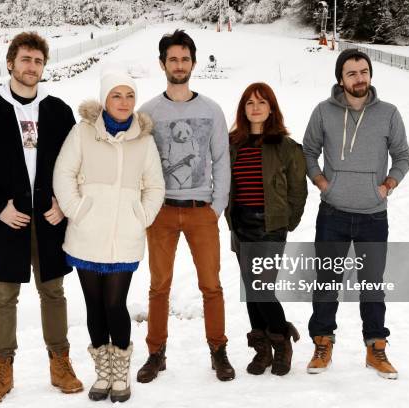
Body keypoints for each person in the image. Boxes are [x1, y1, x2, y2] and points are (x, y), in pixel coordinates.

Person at [0, 32, 83, 405]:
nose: (32, 67)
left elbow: (77, 165)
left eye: (38, 61)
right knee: (2, 295)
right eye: (25, 59)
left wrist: (63, 204)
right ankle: (2, 367)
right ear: (10, 62)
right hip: (6, 221)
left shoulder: (59, 111)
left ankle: (60, 362)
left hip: (49, 218)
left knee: (54, 291)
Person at [53, 71, 165, 403]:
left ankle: (120, 373)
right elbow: (63, 173)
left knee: (115, 304)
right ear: (105, 99)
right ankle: (103, 372)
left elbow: (155, 185)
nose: (124, 102)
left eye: (129, 96)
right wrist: (77, 209)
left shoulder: (143, 140)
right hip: (87, 234)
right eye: (116, 96)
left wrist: (141, 216)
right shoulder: (83, 132)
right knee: (94, 305)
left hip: (124, 239)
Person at [302, 48, 409, 380]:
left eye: (363, 71)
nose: (359, 78)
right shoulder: (323, 112)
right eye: (351, 73)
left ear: (370, 75)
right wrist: (323, 183)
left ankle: (375, 347)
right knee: (327, 283)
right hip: (332, 214)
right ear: (340, 79)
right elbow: (309, 151)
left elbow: (402, 155)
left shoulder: (389, 113)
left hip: (373, 216)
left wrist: (389, 183)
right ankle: (323, 343)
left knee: (373, 285)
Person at [136, 29, 234, 383]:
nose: (179, 65)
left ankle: (218, 350)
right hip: (161, 212)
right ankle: (155, 353)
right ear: (162, 64)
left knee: (212, 285)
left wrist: (216, 206)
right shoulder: (148, 112)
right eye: (173, 59)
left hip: (200, 211)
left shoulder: (211, 110)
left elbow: (221, 160)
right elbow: (137, 161)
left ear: (193, 63)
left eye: (185, 59)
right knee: (159, 285)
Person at [225, 82, 308, 376]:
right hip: (241, 225)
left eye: (261, 102)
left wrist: (287, 222)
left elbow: (298, 190)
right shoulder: (232, 144)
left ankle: (281, 339)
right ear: (243, 109)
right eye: (249, 103)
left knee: (262, 288)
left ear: (271, 108)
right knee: (251, 289)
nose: (255, 107)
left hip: (271, 226)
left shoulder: (286, 146)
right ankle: (262, 349)